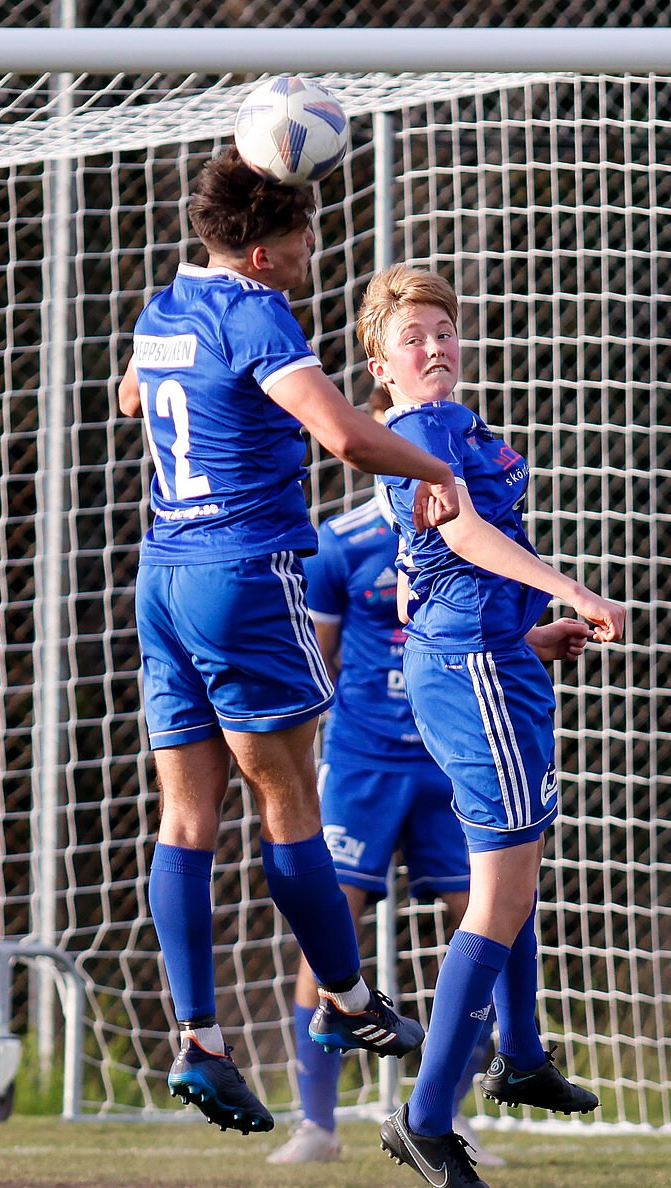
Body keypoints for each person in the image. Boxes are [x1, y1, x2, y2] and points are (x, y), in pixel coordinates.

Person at [114, 148, 465, 1134]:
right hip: (241, 573)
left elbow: (132, 397)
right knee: (285, 795)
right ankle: (349, 1003)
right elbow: (346, 436)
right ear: (265, 250)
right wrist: (437, 467)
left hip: (162, 578)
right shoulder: (259, 313)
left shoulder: (163, 307)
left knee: (185, 818)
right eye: (307, 231)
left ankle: (201, 1039)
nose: (317, 245)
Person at [269, 386, 594, 1166]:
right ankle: (319, 1120)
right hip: (366, 758)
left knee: (497, 906)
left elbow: (460, 601)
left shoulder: (455, 504)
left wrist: (530, 638)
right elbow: (325, 656)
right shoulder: (345, 540)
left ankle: (461, 1094)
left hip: (446, 745)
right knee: (334, 926)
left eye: (446, 332)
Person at [362, 265, 628, 1188]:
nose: (433, 347)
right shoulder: (421, 430)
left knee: (515, 873)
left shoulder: (453, 423)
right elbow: (467, 539)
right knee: (502, 889)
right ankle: (427, 1118)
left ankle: (519, 1057)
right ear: (380, 364)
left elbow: (437, 571)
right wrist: (575, 590)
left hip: (493, 657)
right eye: (412, 338)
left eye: (443, 330)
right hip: (470, 671)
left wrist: (531, 630)